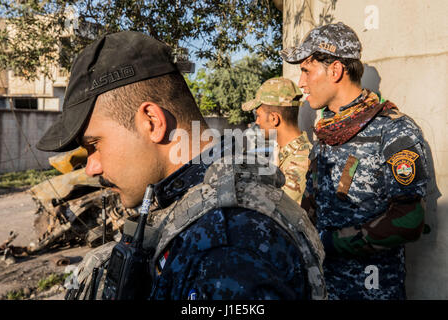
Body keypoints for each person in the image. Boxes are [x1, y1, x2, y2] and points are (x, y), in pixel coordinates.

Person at [36, 31, 326, 300]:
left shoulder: (226, 240)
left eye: (94, 145)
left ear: (152, 122)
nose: (91, 167)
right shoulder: (194, 209)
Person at [281, 22, 429, 300]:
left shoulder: (393, 130)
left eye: (306, 70)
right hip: (323, 287)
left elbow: (410, 218)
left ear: (335, 70)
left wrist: (331, 242)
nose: (301, 83)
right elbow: (312, 205)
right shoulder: (327, 131)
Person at [242, 77, 312, 205]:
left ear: (274, 118)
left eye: (258, 116)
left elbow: (276, 212)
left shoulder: (299, 162)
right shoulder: (282, 153)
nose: (257, 122)